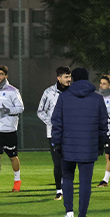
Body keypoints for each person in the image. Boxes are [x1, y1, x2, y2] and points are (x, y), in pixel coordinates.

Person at [51, 67, 108, 217]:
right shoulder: (97, 98)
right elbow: (103, 123)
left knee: (67, 178)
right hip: (89, 145)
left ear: (73, 79)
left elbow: (56, 122)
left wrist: (56, 142)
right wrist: (102, 143)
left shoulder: (64, 97)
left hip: (67, 145)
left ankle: (69, 214)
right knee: (85, 182)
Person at [0, 65, 24, 193]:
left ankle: (17, 182)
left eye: (2, 74)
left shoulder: (13, 91)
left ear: (6, 76)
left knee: (13, 156)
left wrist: (8, 111)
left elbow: (20, 108)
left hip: (9, 130)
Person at [37, 66, 71, 200]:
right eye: (66, 77)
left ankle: (67, 187)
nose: (69, 80)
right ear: (59, 78)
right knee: (58, 163)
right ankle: (59, 190)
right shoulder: (49, 92)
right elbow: (40, 111)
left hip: (70, 133)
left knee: (69, 162)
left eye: (70, 77)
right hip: (54, 134)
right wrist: (53, 123)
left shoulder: (73, 92)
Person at [96, 75, 110, 187]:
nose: (101, 85)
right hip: (98, 130)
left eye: (104, 83)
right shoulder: (97, 97)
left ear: (109, 85)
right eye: (101, 83)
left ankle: (105, 180)